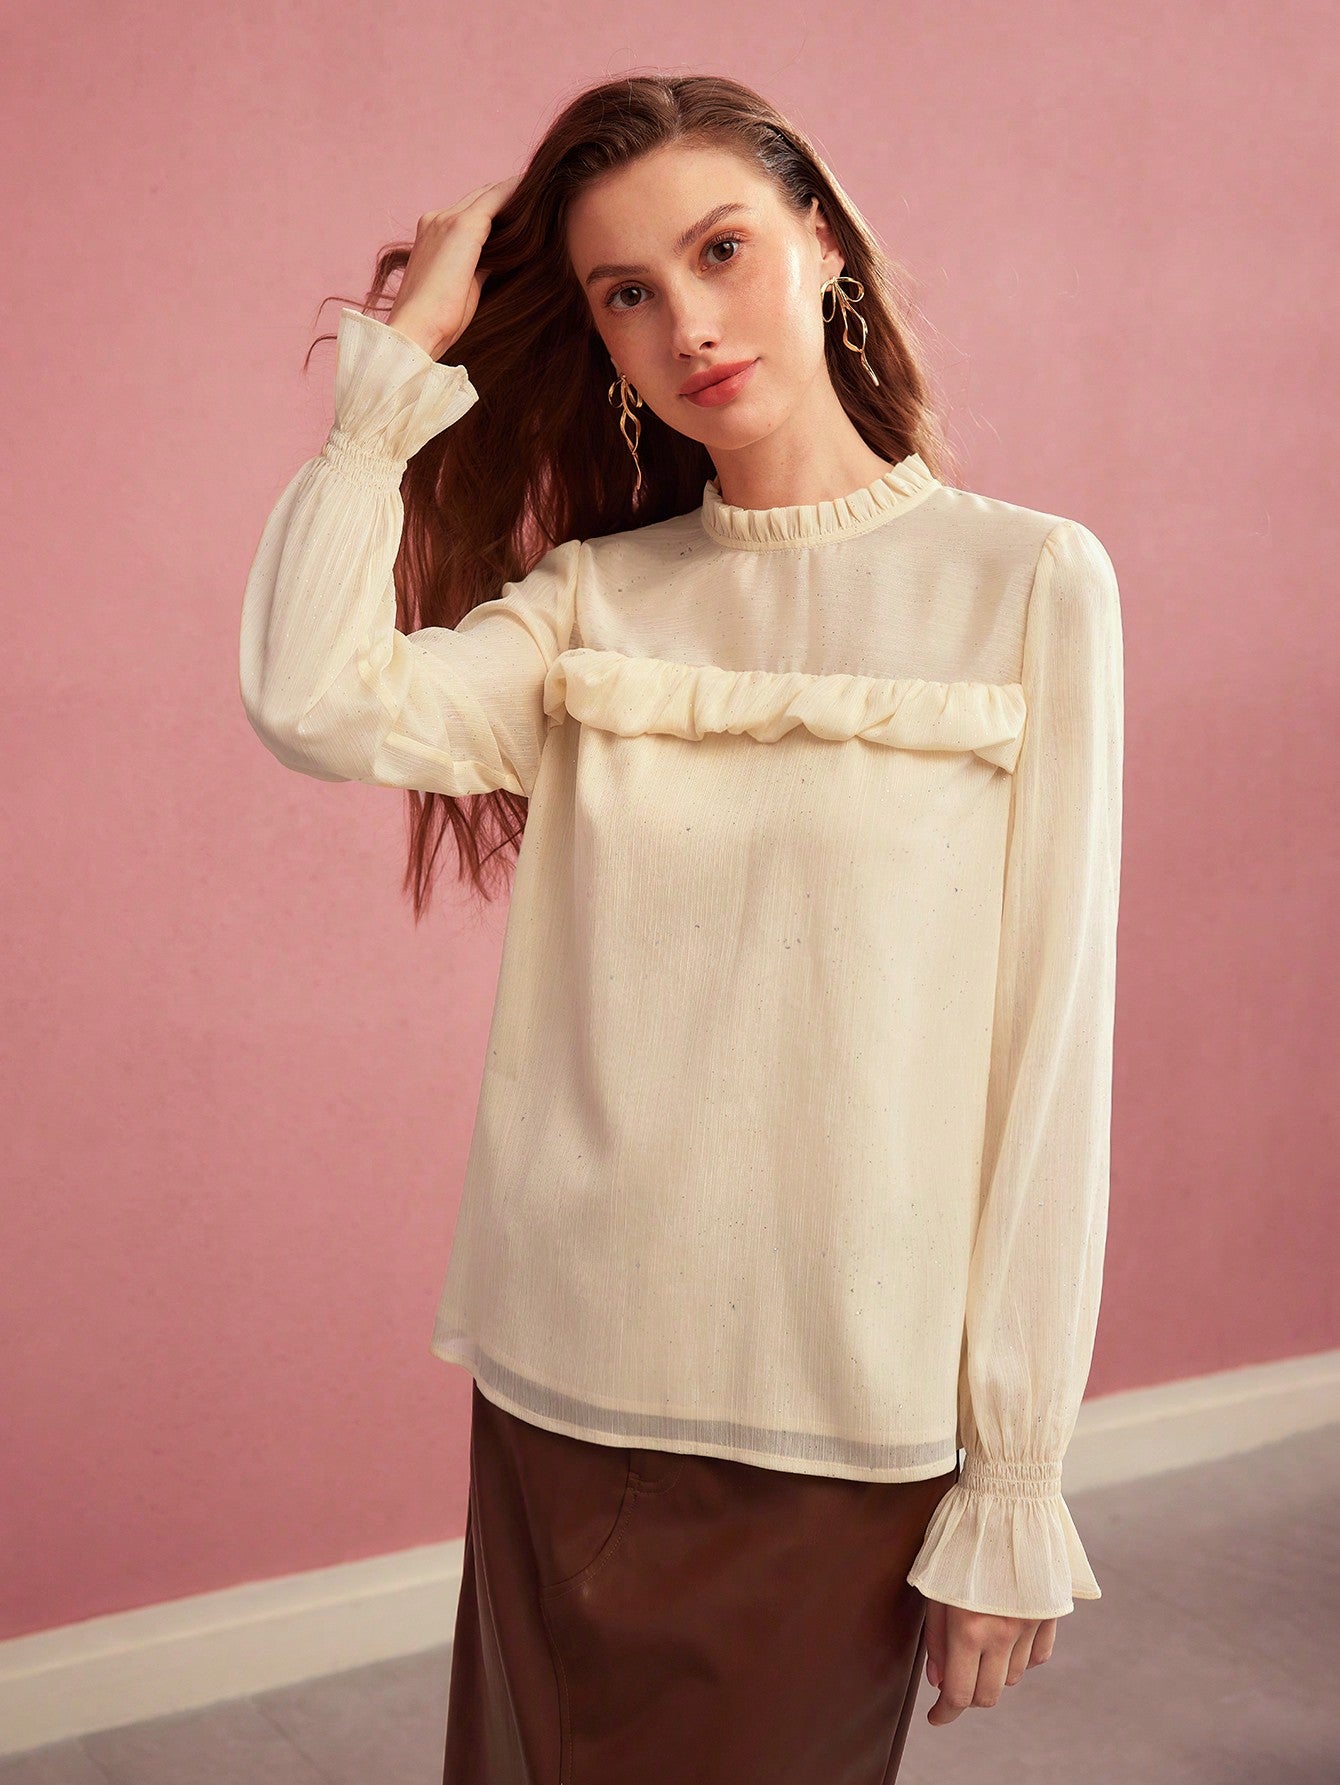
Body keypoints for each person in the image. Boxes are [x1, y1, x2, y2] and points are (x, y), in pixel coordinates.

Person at [239, 72, 1124, 1785]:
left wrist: (1014, 1477)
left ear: (824, 246)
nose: (688, 325)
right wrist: (392, 380)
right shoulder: (595, 601)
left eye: (722, 251)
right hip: (561, 1388)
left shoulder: (1026, 584)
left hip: (839, 1414)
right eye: (625, 293)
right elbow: (310, 696)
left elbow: (1050, 1055)